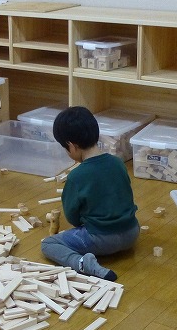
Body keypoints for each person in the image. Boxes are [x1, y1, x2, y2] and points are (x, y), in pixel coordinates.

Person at [40, 106, 140, 281]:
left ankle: (82, 263)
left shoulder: (76, 176)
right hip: (132, 233)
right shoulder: (118, 163)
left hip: (100, 239)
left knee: (48, 244)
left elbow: (72, 217)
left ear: (72, 146)